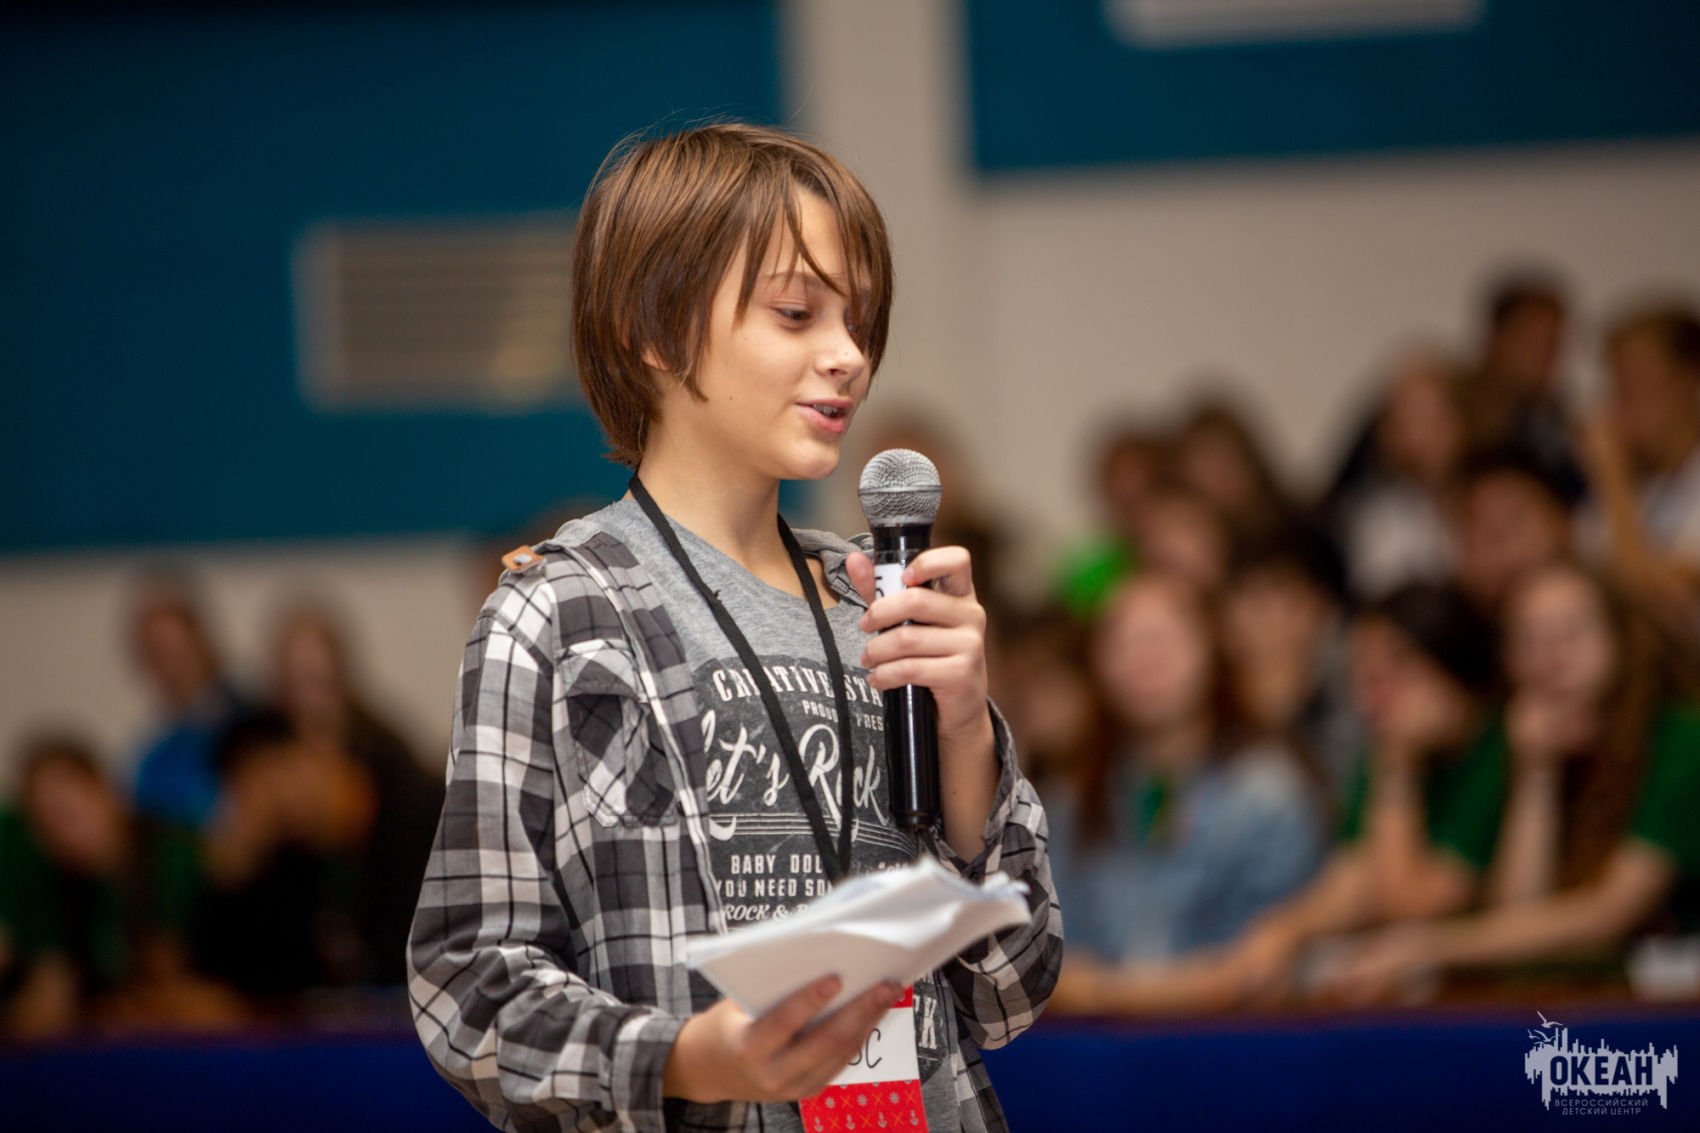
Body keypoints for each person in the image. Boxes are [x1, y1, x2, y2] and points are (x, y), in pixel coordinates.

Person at [407, 123, 1060, 1133]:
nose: (848, 357)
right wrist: (687, 1056)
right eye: (796, 313)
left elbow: (1010, 988)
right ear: (656, 329)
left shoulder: (877, 601)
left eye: (858, 321)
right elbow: (467, 984)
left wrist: (968, 731)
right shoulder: (561, 614)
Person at [1318, 561, 1700, 1003]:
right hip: (1593, 1002)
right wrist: (1536, 773)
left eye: (1570, 634)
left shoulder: (1681, 740)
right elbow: (1521, 918)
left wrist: (1428, 946)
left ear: (1619, 640)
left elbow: (1607, 917)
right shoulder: (1523, 743)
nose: (1549, 659)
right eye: (1528, 640)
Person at [1046, 573, 1321, 1010]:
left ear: (1212, 648)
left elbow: (1263, 966)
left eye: (1163, 639)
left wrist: (1106, 992)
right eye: (1122, 643)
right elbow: (1048, 962)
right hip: (1096, 1044)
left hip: (1232, 1038)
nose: (1144, 660)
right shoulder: (1072, 801)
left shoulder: (1269, 794)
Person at [124, 575, 244, 828]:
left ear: (203, 642)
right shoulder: (154, 760)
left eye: (178, 649)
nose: (172, 666)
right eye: (158, 654)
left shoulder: (257, 723)